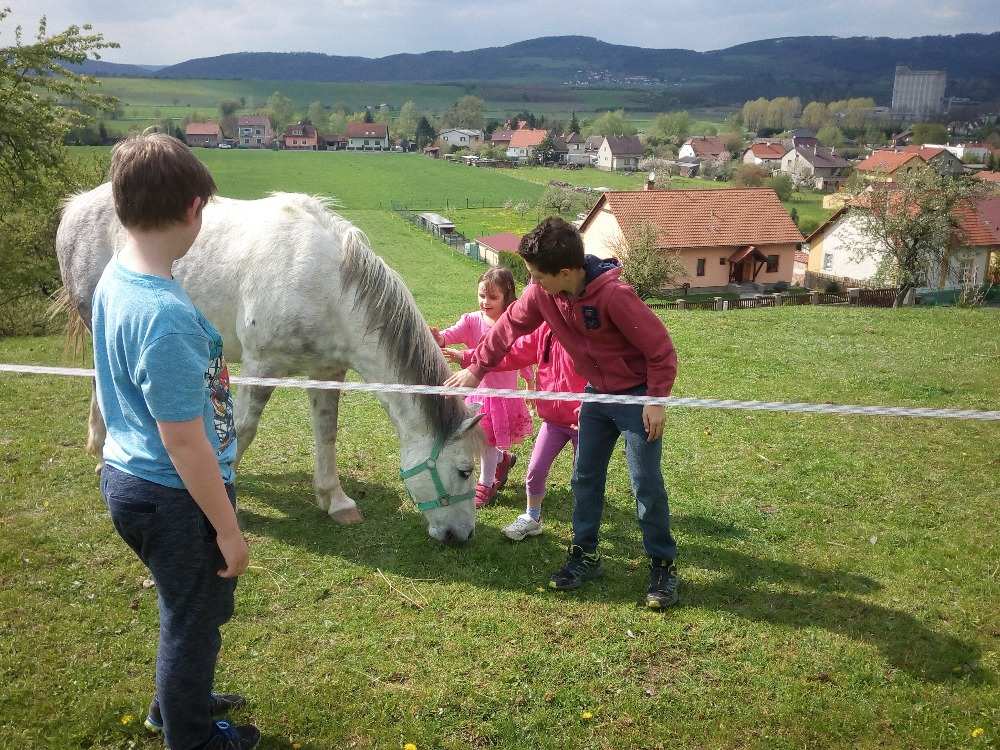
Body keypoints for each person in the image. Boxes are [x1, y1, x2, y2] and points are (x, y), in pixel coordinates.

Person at [91, 133, 259, 749]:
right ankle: (191, 735)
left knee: (189, 608)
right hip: (172, 493)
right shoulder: (163, 315)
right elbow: (184, 440)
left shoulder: (119, 277)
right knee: (193, 620)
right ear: (193, 208)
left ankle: (178, 695)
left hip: (130, 477)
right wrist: (228, 528)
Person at [444, 217, 680, 609]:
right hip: (594, 397)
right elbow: (507, 329)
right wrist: (476, 368)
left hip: (636, 399)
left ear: (566, 272)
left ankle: (662, 566)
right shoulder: (543, 294)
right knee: (584, 479)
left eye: (538, 274)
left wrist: (656, 399)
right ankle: (585, 556)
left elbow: (661, 350)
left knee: (645, 484)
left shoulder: (614, 296)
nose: (532, 282)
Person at [444, 321, 586, 541]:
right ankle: (532, 517)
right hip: (553, 421)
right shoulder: (544, 329)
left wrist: (591, 405)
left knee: (584, 478)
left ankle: (585, 530)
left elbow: (603, 369)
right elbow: (511, 353)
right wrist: (468, 358)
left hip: (584, 421)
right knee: (535, 471)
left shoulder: (588, 329)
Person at [431, 267, 534, 508]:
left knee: (487, 441)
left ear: (507, 296)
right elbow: (451, 334)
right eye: (481, 295)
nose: (485, 302)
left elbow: (520, 356)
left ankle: (486, 485)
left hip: (501, 397)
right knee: (477, 440)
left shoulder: (512, 325)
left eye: (492, 297)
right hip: (476, 396)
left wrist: (530, 381)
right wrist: (439, 338)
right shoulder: (471, 320)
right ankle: (502, 460)